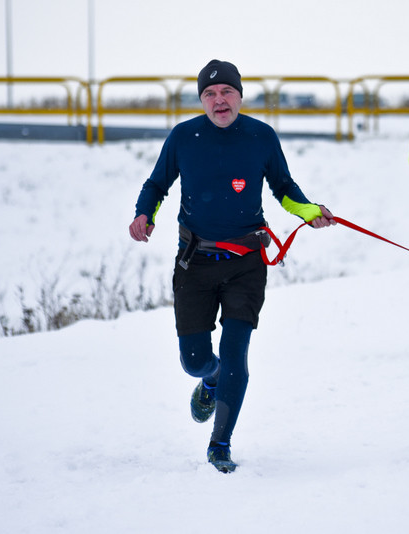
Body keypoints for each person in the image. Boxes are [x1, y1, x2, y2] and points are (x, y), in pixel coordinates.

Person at [128, 59, 336, 473]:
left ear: (239, 95)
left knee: (236, 350)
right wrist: (143, 214)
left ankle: (219, 444)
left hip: (246, 262)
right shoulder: (184, 137)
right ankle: (210, 378)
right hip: (195, 262)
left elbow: (284, 188)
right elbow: (156, 185)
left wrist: (309, 211)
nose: (218, 100)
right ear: (201, 99)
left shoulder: (260, 136)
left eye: (226, 92)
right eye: (209, 93)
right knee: (194, 359)